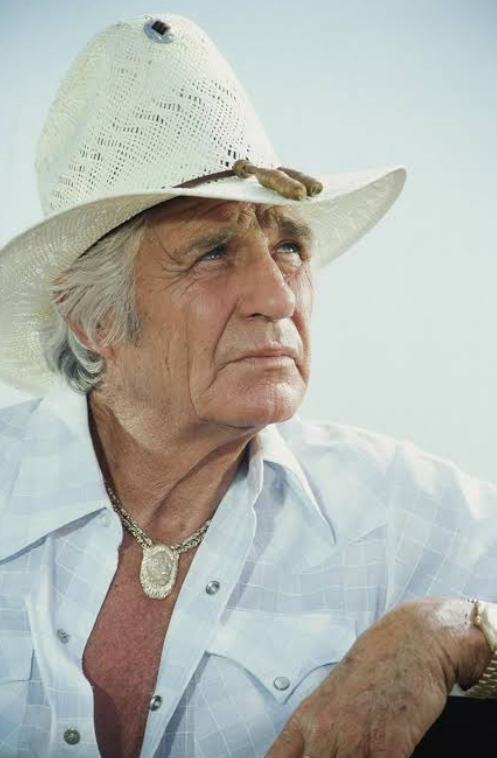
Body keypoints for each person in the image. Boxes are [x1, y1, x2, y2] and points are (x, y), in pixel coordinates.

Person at [0, 13, 495, 758]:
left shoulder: (386, 505)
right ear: (92, 318)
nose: (277, 295)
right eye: (212, 253)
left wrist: (450, 632)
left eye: (288, 246)